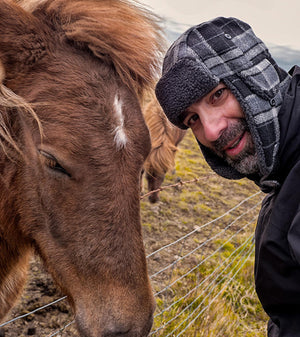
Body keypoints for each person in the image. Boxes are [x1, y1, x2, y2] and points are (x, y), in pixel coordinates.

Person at [155, 17, 300, 337]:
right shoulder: (285, 175)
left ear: (254, 75)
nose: (210, 130)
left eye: (217, 95)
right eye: (192, 118)